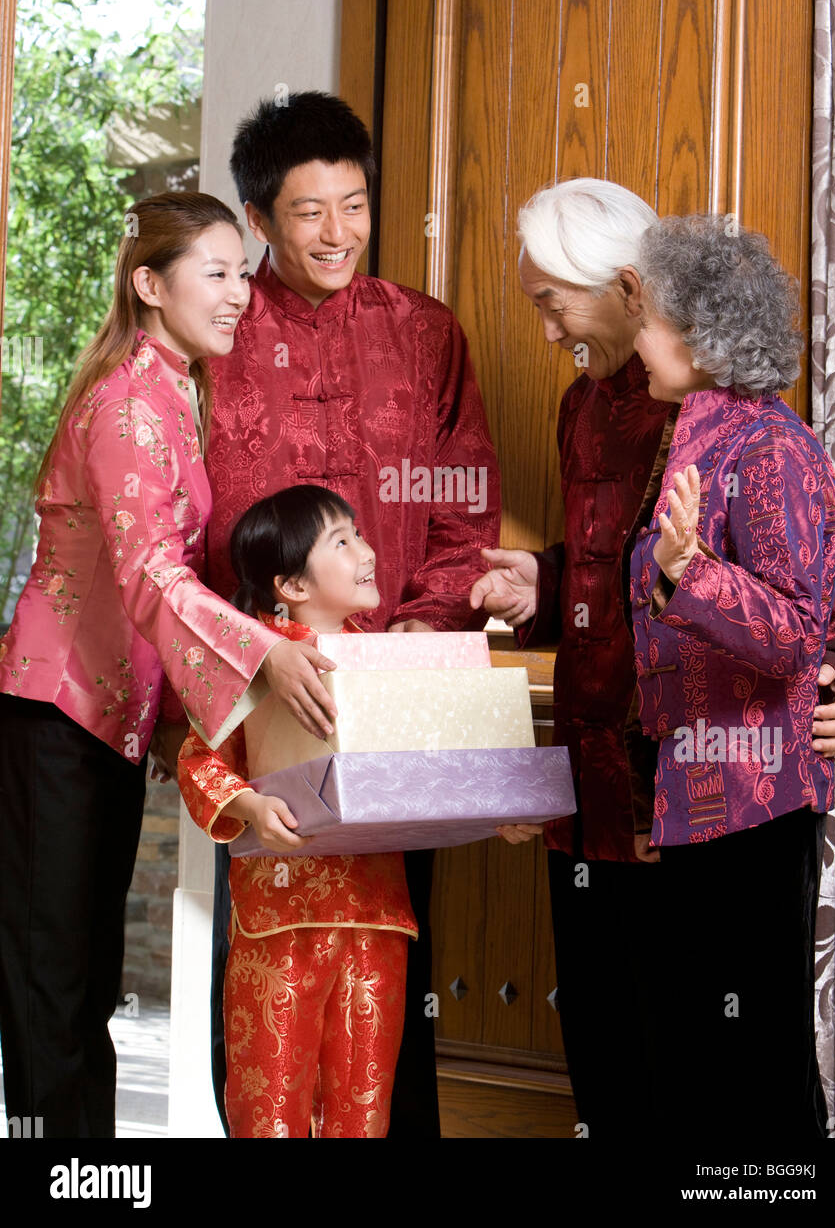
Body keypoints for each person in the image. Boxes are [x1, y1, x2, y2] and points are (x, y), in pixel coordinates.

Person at [470, 179, 835, 1138]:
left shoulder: (750, 430)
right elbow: (622, 570)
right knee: (634, 1059)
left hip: (724, 791)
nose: (545, 322)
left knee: (733, 1071)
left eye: (552, 299)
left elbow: (814, 607)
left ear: (637, 294)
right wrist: (543, 579)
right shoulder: (594, 410)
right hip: (619, 779)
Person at [0, 193, 331, 1138]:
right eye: (216, 274)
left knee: (81, 981)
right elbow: (151, 570)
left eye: (241, 272)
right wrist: (261, 650)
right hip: (51, 710)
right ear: (149, 285)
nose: (239, 295)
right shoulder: (126, 402)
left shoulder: (176, 389)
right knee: (52, 984)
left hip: (101, 720)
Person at [202, 91, 500, 1137]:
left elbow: (466, 502)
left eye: (355, 205)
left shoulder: (423, 333)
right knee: (261, 957)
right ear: (257, 218)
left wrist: (420, 627)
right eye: (307, 212)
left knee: (392, 959)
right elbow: (185, 523)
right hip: (260, 689)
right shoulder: (218, 334)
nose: (336, 233)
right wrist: (242, 655)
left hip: (399, 689)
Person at [625, 213, 835, 1134]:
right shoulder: (694, 436)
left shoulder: (771, 448)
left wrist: (690, 573)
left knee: (756, 1069)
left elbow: (800, 632)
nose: (635, 335)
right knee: (704, 1070)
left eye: (648, 316)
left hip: (757, 799)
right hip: (695, 792)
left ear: (699, 336)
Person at [177, 484, 417, 1138]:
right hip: (277, 921)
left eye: (359, 534)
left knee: (363, 1114)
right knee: (270, 1108)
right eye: (341, 542)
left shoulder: (388, 663)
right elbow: (198, 761)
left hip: (376, 916)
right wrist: (249, 804)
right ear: (291, 584)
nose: (365, 552)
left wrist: (488, 809)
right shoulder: (252, 664)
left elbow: (429, 765)